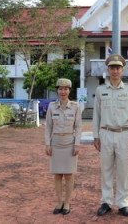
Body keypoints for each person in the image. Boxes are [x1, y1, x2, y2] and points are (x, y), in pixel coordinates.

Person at [93, 54, 128, 217]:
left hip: (123, 134)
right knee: (105, 170)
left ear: (122, 70)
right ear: (108, 70)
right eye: (112, 68)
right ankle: (106, 201)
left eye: (118, 68)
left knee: (123, 170)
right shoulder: (100, 90)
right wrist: (95, 136)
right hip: (105, 133)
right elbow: (96, 115)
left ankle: (123, 203)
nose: (115, 71)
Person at [44, 78, 82, 215]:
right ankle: (59, 201)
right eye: (60, 89)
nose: (63, 91)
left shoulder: (75, 107)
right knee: (57, 174)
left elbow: (78, 127)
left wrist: (77, 144)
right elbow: (48, 126)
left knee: (69, 174)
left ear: (69, 91)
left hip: (69, 142)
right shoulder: (52, 107)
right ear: (57, 90)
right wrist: (47, 144)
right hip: (56, 143)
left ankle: (67, 202)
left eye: (66, 89)